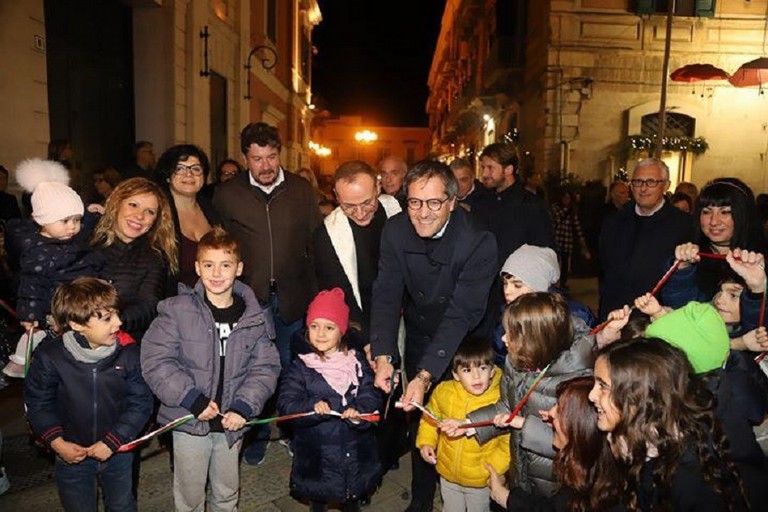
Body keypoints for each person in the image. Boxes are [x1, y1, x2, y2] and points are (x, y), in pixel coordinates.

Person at [370, 159, 498, 512]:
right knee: (422, 418)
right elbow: (386, 292)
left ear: (452, 202)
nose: (422, 213)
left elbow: (461, 313)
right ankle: (422, 497)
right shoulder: (395, 231)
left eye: (433, 203)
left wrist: (425, 375)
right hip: (421, 330)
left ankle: (474, 490)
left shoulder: (478, 240)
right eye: (414, 202)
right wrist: (383, 354)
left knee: (463, 417)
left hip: (467, 340)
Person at [141, 227, 280, 512]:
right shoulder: (177, 311)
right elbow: (156, 360)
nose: (216, 273)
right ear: (197, 267)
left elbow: (265, 367)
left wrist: (244, 406)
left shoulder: (253, 316)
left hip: (232, 421)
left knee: (227, 491)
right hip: (189, 419)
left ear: (239, 268)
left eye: (225, 265)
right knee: (190, 494)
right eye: (208, 264)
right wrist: (192, 399)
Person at [213, 121, 321, 464]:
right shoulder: (228, 195)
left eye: (271, 157)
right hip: (249, 301)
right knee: (252, 371)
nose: (265, 166)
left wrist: (319, 296)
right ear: (245, 158)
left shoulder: (302, 190)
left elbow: (316, 244)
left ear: (280, 154)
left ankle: (290, 433)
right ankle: (256, 436)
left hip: (294, 300)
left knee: (292, 369)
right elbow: (219, 244)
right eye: (257, 158)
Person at [24, 277, 154, 512]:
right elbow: (38, 403)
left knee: (122, 504)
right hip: (70, 455)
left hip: (117, 451)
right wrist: (56, 441)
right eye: (107, 318)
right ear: (76, 324)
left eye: (116, 314)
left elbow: (141, 403)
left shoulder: (129, 354)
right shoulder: (50, 357)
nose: (118, 322)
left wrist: (113, 441)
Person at [589, 338, 760, 510]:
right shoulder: (637, 443)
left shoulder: (692, 483)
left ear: (640, 397)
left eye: (602, 385)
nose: (591, 396)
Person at [462, 293, 593, 497]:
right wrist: (469, 424)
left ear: (535, 340)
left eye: (511, 334)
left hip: (554, 485)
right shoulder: (516, 362)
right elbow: (507, 408)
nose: (503, 339)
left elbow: (574, 444)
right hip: (522, 473)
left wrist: (524, 425)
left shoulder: (576, 383)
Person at [278, 288, 383, 512]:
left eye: (329, 327)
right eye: (314, 326)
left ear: (342, 331)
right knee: (319, 495)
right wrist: (310, 408)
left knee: (352, 494)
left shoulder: (356, 363)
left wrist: (359, 412)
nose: (321, 334)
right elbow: (287, 403)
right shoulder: (300, 367)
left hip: (354, 450)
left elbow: (370, 394)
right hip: (317, 452)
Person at [2, 159, 99, 377]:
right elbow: (30, 287)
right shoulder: (38, 251)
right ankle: (19, 360)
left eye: (77, 220)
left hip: (73, 304)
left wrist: (91, 215)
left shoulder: (68, 236)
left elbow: (84, 230)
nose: (73, 227)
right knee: (35, 335)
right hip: (50, 309)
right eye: (65, 221)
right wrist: (29, 315)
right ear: (43, 220)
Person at [486, 377, 618, 511]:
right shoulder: (595, 475)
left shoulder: (594, 493)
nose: (550, 413)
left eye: (560, 410)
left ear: (580, 427)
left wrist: (502, 496)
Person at [415, 337, 510, 512]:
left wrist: (492, 470)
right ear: (456, 375)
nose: (476, 376)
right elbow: (429, 419)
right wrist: (427, 442)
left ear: (492, 372)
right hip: (447, 474)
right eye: (467, 370)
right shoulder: (444, 392)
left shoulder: (500, 401)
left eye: (482, 368)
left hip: (480, 481)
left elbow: (507, 443)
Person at [598, 158, 691, 319]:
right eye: (638, 182)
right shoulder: (613, 222)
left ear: (666, 186)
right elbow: (604, 268)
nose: (643, 188)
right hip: (614, 315)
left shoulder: (684, 225)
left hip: (657, 318)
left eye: (651, 182)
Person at [91, 177, 178, 342]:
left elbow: (148, 306)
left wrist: (108, 322)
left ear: (155, 221)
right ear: (117, 204)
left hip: (124, 346)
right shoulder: (86, 240)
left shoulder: (154, 258)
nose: (139, 216)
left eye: (150, 212)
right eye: (133, 205)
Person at [663, 178, 766, 312]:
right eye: (706, 212)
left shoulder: (758, 259)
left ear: (743, 214)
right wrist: (683, 270)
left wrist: (756, 290)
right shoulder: (687, 252)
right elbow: (680, 310)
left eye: (725, 212)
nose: (714, 221)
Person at [474, 142, 554, 265]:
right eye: (483, 167)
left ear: (508, 170)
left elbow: (544, 251)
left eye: (490, 168)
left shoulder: (531, 205)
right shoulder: (480, 203)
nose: (484, 174)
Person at [156, 144, 219, 290]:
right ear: (167, 176)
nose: (189, 174)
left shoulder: (213, 211)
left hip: (213, 303)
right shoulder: (157, 215)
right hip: (173, 305)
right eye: (180, 169)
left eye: (195, 169)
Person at [551, 189, 590, 289]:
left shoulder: (573, 212)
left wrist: (582, 243)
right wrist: (568, 209)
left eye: (568, 198)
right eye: (564, 198)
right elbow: (557, 218)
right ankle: (555, 283)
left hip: (567, 241)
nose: (566, 200)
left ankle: (563, 283)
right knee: (555, 262)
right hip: (557, 239)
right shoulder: (556, 208)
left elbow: (577, 227)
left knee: (564, 264)